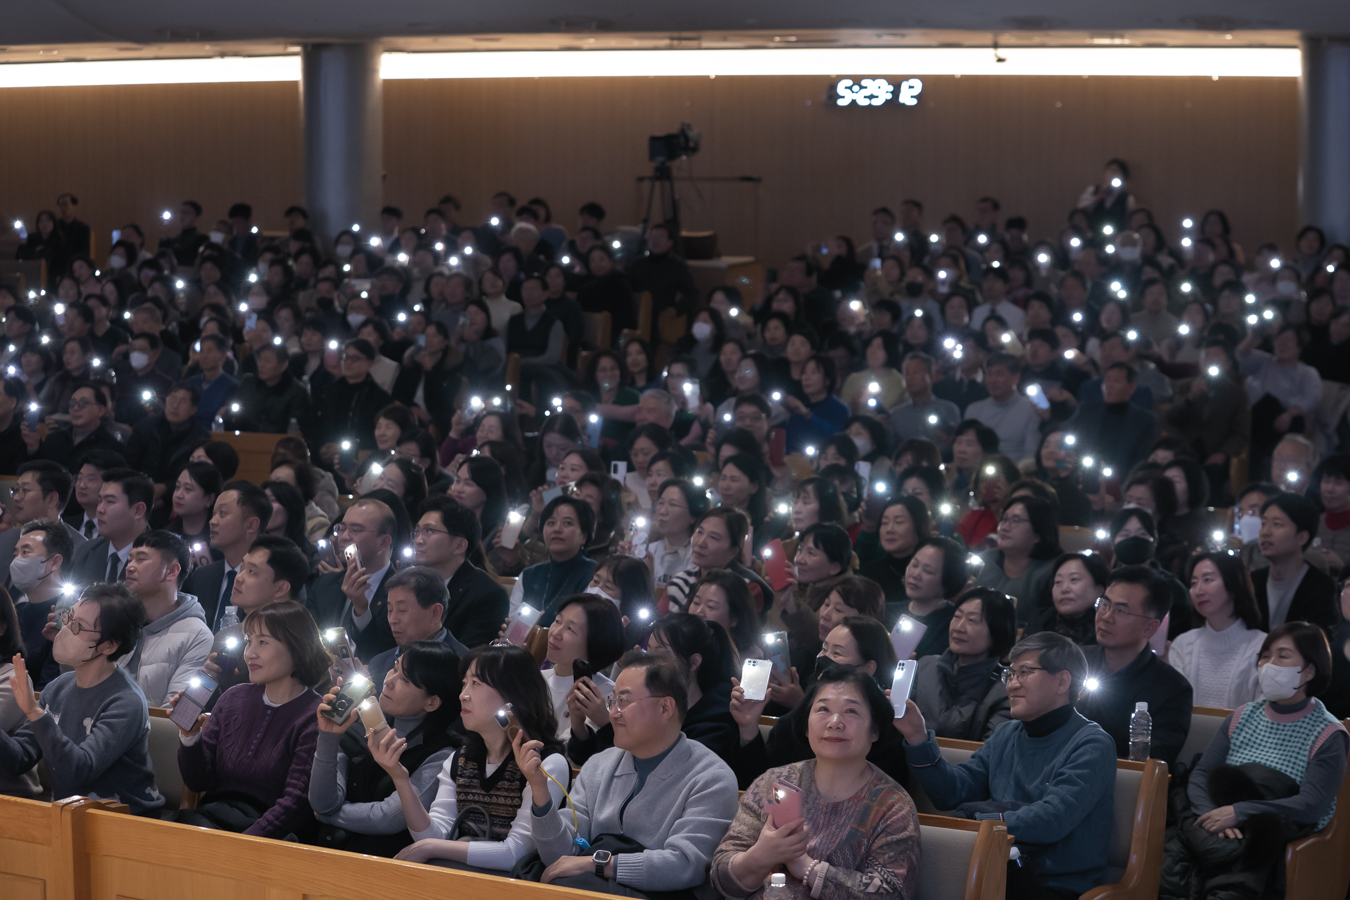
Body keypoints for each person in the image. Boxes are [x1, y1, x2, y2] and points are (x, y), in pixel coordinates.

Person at [895, 631, 1117, 899]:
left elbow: (1051, 820)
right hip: (996, 866)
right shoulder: (1006, 733)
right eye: (1010, 674)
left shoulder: (1092, 743)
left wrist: (980, 819)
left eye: (1024, 672)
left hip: (1055, 884)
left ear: (1062, 682)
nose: (1011, 685)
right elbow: (950, 792)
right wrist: (917, 738)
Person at [519, 651, 739, 895]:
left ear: (666, 707)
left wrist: (596, 863)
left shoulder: (711, 778)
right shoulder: (598, 766)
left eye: (623, 702)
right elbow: (559, 858)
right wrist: (540, 791)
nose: (613, 713)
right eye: (611, 702)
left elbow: (685, 865)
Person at [1160, 623, 1349, 900]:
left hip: (1267, 831)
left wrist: (1239, 812)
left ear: (1309, 670)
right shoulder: (1242, 716)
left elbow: (1310, 806)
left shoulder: (1328, 733)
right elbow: (1202, 773)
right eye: (1264, 656)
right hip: (1216, 824)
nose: (1269, 664)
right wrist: (1211, 815)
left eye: (1282, 656)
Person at [712, 663, 921, 900]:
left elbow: (892, 894)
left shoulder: (893, 805)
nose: (834, 722)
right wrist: (762, 855)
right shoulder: (773, 782)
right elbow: (721, 880)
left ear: (875, 729)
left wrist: (807, 867)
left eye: (851, 711)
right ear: (806, 725)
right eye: (823, 709)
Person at [370, 643, 569, 871]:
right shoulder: (459, 759)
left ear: (513, 692)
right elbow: (433, 833)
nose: (463, 695)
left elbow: (515, 852)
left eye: (476, 683)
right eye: (464, 683)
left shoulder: (546, 763)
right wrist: (400, 779)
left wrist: (430, 848)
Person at [0, 583, 164, 814]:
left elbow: (79, 771)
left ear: (109, 645)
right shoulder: (57, 688)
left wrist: (35, 713)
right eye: (68, 618)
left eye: (77, 626)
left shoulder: (126, 701)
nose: (65, 629)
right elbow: (20, 758)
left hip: (125, 822)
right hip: (70, 818)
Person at [169, 601, 325, 838]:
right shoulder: (233, 698)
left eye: (262, 642)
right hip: (213, 823)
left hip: (271, 839)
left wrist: (242, 843)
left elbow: (295, 803)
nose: (250, 653)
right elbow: (197, 781)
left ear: (297, 646)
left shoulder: (314, 715)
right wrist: (190, 736)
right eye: (249, 641)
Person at [308, 642, 462, 856]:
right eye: (395, 667)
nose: (389, 681)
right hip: (327, 849)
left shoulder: (442, 752)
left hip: (384, 863)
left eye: (405, 680)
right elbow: (322, 801)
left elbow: (390, 817)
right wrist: (328, 737)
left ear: (432, 702)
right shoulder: (359, 720)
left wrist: (329, 816)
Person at [570, 613, 739, 767]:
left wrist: (608, 725)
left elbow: (660, 775)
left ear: (693, 662)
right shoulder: (645, 704)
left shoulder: (714, 725)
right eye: (648, 652)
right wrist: (579, 727)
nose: (649, 663)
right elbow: (593, 770)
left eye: (660, 655)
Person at [1077, 565, 1193, 769]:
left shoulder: (1173, 689)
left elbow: (1152, 763)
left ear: (1150, 627)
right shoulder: (1075, 662)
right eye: (1104, 604)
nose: (1106, 616)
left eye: (1120, 610)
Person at [120, 530, 213, 707]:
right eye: (130, 559)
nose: (130, 566)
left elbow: (175, 717)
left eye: (141, 559)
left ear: (172, 571)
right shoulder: (118, 620)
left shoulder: (197, 636)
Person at [912, 587, 1016, 741]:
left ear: (998, 630)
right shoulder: (925, 666)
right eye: (957, 616)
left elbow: (990, 752)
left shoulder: (1006, 688)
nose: (959, 627)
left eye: (972, 620)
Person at [1168, 551, 1267, 710]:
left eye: (1208, 580)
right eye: (1193, 583)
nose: (1198, 590)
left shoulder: (1262, 646)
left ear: (1233, 583)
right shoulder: (1182, 644)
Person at [308, 497, 399, 661]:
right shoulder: (324, 585)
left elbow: (387, 652)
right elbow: (308, 640)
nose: (343, 537)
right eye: (341, 528)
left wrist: (361, 609)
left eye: (356, 530)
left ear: (383, 541)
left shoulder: (402, 591)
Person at [413, 496, 509, 648]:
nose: (418, 540)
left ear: (459, 546)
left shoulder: (488, 595)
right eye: (418, 531)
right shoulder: (409, 582)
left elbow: (467, 657)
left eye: (429, 531)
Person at [181, 480, 272, 632]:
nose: (212, 521)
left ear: (251, 525)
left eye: (222, 513)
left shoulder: (270, 578)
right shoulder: (202, 576)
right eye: (213, 513)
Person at [367, 566, 470, 694]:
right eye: (390, 610)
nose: (392, 619)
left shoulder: (464, 666)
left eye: (402, 610)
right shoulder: (379, 663)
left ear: (435, 612)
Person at [543, 593, 625, 741]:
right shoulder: (537, 679)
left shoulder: (605, 696)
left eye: (570, 629)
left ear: (596, 643)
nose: (555, 633)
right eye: (557, 621)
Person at [507, 495, 597, 628]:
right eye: (551, 523)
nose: (557, 529)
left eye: (567, 523)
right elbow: (513, 626)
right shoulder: (529, 575)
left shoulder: (595, 575)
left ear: (583, 536)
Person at [664, 507, 772, 616]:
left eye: (713, 537)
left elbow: (746, 630)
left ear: (733, 551)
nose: (701, 543)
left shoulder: (747, 587)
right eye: (699, 532)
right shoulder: (680, 581)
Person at [1253, 493, 1337, 631]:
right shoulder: (1251, 582)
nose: (1264, 532)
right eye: (1263, 524)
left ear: (1302, 537)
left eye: (1277, 524)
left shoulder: (1323, 589)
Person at [0, 460, 86, 592]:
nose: (16, 497)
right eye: (15, 490)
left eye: (25, 490)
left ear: (52, 499)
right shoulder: (4, 539)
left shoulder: (80, 548)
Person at [975, 495, 1061, 623]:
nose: (1004, 527)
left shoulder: (1051, 573)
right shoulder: (987, 559)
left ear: (1038, 533)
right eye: (1004, 519)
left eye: (1016, 520)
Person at [11, 519, 75, 688]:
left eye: (25, 552)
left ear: (55, 562)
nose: (16, 561)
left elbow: (52, 685)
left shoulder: (70, 615)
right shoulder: (15, 611)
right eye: (15, 554)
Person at [1064, 363, 1157, 477]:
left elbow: (1141, 458)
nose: (1109, 385)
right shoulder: (1087, 411)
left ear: (1132, 388)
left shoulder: (1144, 420)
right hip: (1083, 475)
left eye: (1116, 381)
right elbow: (1069, 437)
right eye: (1107, 380)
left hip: (1123, 480)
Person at [68, 467, 152, 588]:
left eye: (110, 501)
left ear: (138, 510)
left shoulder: (159, 560)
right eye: (100, 501)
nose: (100, 509)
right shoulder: (86, 551)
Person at [965, 353, 1042, 464]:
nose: (993, 380)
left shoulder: (1031, 408)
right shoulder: (973, 410)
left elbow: (1031, 453)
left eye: (999, 374)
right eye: (989, 374)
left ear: (1016, 377)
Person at [857, 495, 928, 609]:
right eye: (884, 523)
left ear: (921, 526)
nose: (889, 529)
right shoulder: (869, 574)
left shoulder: (929, 573)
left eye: (899, 522)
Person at [1029, 552, 1109, 646]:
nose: (1064, 589)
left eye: (1074, 579)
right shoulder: (1040, 622)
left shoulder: (1108, 625)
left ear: (1099, 590)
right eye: (1058, 582)